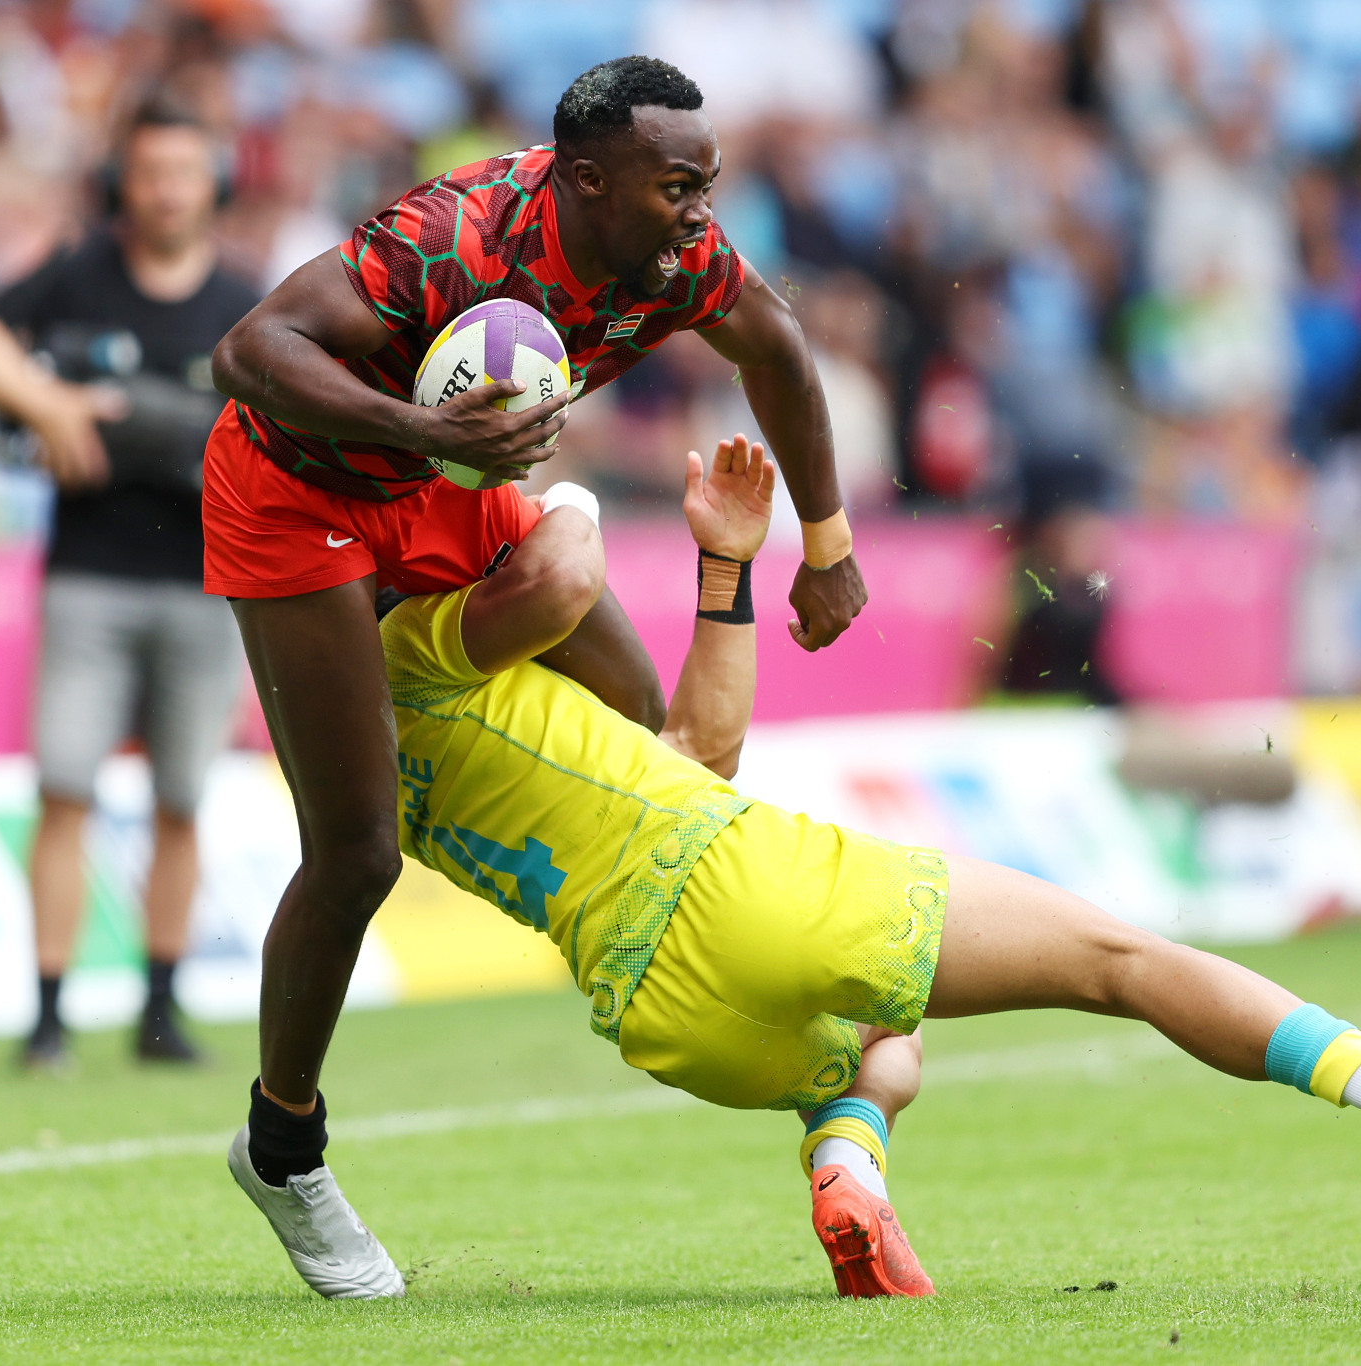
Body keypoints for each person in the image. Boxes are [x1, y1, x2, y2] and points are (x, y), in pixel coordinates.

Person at [225, 434, 1361, 1301]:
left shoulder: (360, 762)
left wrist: (719, 568)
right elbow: (565, 568)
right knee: (1124, 961)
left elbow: (694, 744)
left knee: (888, 1049)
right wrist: (546, 472)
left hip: (655, 1009)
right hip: (732, 879)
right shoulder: (414, 656)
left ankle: (852, 1180)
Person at [204, 58, 870, 1173]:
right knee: (359, 855)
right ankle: (283, 1141)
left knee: (637, 708)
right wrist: (433, 437)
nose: (701, 213)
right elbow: (247, 352)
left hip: (443, 482)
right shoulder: (454, 236)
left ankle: (460, 725)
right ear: (588, 181)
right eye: (676, 187)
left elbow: (780, 350)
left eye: (707, 183)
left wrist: (829, 539)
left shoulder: (679, 256)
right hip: (293, 490)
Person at [0, 99, 262, 1068]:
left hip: (208, 580)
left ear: (214, 186)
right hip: (87, 576)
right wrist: (47, 400)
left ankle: (161, 1008)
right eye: (148, 174)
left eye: (183, 174)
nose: (164, 192)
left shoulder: (245, 299)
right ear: (123, 185)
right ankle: (47, 1013)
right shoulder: (79, 273)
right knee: (65, 789)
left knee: (182, 799)